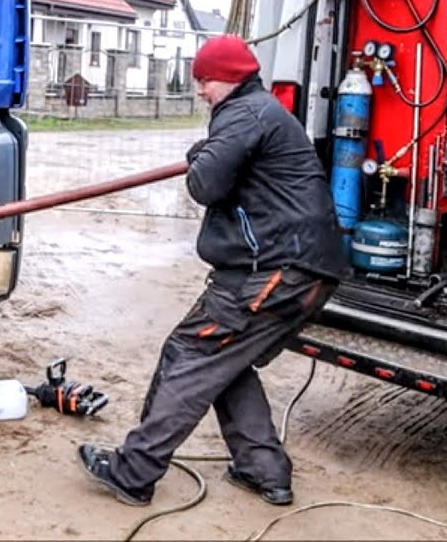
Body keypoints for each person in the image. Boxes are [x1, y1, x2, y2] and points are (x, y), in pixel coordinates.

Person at [77, 35, 350, 507]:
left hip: (274, 271)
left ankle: (133, 471)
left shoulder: (245, 114)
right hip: (300, 269)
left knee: (190, 356)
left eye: (205, 80)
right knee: (226, 360)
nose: (200, 89)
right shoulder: (259, 112)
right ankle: (263, 471)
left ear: (229, 78)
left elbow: (205, 183)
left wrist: (199, 156)